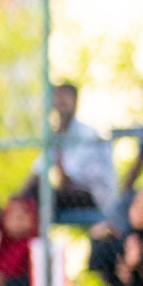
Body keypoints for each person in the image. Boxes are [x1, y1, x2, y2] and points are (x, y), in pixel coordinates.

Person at [21, 82, 117, 224]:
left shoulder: (87, 135)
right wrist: (18, 198)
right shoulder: (56, 135)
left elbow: (67, 180)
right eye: (57, 98)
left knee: (42, 195)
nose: (60, 102)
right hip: (67, 194)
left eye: (65, 98)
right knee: (30, 194)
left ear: (76, 101)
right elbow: (38, 171)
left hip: (93, 197)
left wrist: (58, 146)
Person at [88, 188, 143, 286]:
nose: (139, 210)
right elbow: (98, 267)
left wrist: (134, 265)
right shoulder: (120, 239)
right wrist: (96, 240)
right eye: (137, 204)